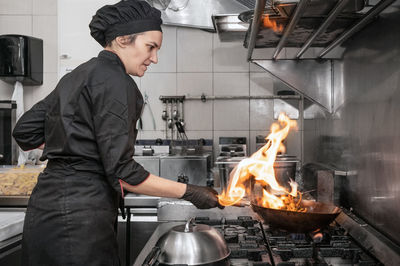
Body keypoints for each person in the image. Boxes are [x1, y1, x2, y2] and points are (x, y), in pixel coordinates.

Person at [12, 1, 222, 265]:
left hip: (45, 211)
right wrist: (190, 191)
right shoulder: (118, 82)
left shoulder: (78, 75)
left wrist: (78, 144)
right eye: (151, 47)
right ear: (123, 40)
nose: (154, 58)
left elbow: (25, 131)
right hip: (80, 218)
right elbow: (124, 172)